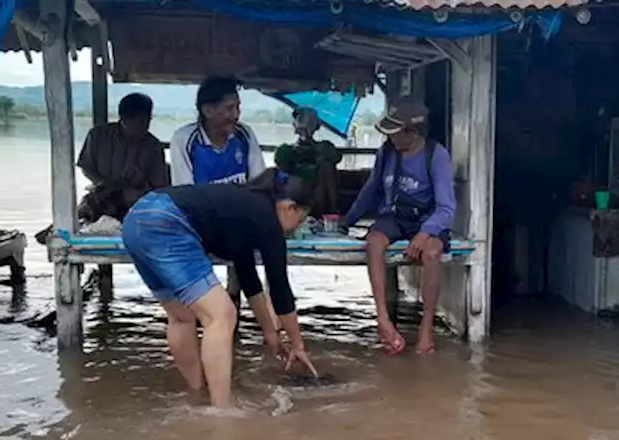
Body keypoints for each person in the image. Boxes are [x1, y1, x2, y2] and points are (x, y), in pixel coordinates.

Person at [120, 169, 318, 408]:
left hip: (136, 218)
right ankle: (222, 410)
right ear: (290, 208)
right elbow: (280, 289)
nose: (295, 229)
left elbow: (249, 280)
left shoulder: (246, 207)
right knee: (221, 315)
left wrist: (271, 334)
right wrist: (298, 344)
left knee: (182, 316)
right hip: (168, 221)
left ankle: (196, 394)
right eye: (299, 221)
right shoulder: (267, 219)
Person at [342, 100, 456, 355]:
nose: (390, 138)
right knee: (373, 243)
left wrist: (425, 233)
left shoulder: (436, 156)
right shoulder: (386, 153)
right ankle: (383, 319)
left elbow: (446, 207)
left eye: (395, 133)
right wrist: (347, 220)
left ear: (414, 132)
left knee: (432, 254)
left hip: (427, 219)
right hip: (395, 215)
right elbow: (371, 190)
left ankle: (426, 330)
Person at [77, 92, 169, 210]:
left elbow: (159, 186)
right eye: (140, 123)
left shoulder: (153, 146)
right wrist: (103, 183)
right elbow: (86, 167)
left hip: (137, 205)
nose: (145, 127)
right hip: (100, 199)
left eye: (148, 121)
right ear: (124, 119)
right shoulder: (98, 136)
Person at [170, 76, 266, 186]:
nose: (236, 115)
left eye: (238, 107)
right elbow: (184, 192)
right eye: (229, 108)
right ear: (208, 111)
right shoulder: (185, 140)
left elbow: (259, 181)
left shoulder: (245, 134)